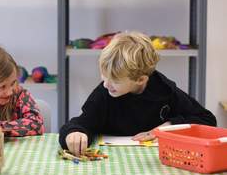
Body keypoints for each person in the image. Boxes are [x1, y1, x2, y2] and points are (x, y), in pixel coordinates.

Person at [59, 32, 216, 156]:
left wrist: (167, 127)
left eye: (115, 80)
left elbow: (207, 120)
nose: (106, 83)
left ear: (141, 79)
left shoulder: (163, 89)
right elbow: (80, 123)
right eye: (103, 75)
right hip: (109, 164)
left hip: (156, 165)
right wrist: (75, 133)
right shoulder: (104, 92)